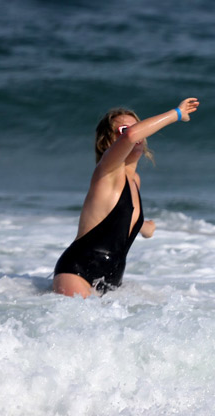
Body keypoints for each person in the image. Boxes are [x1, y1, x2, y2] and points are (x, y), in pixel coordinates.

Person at [53, 98, 200, 297]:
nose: (136, 134)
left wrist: (145, 227)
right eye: (122, 130)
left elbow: (117, 220)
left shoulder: (134, 180)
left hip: (113, 278)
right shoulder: (108, 170)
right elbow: (131, 136)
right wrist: (178, 113)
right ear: (109, 141)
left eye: (140, 128)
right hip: (78, 271)